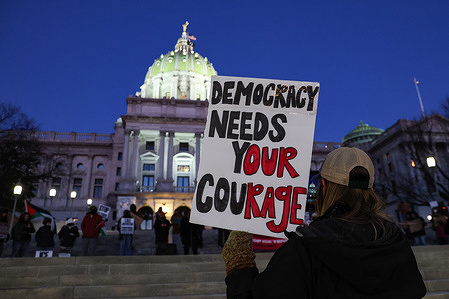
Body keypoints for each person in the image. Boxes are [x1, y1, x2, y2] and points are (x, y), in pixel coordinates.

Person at [222, 147, 426, 299]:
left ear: (324, 188)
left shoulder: (306, 247)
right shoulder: (396, 241)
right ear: (371, 189)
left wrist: (239, 265)